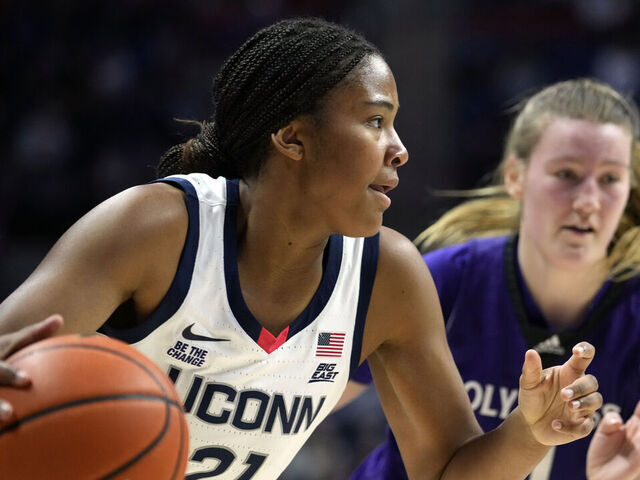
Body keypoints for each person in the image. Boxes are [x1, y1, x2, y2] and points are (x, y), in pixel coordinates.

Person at [0, 19, 602, 480]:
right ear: (293, 138)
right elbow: (10, 360)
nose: (399, 149)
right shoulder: (157, 228)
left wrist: (529, 433)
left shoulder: (386, 277)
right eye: (375, 121)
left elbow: (446, 471)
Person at [349, 78, 640, 480]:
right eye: (567, 174)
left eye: (610, 179)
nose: (588, 201)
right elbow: (302, 396)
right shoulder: (442, 279)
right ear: (515, 177)